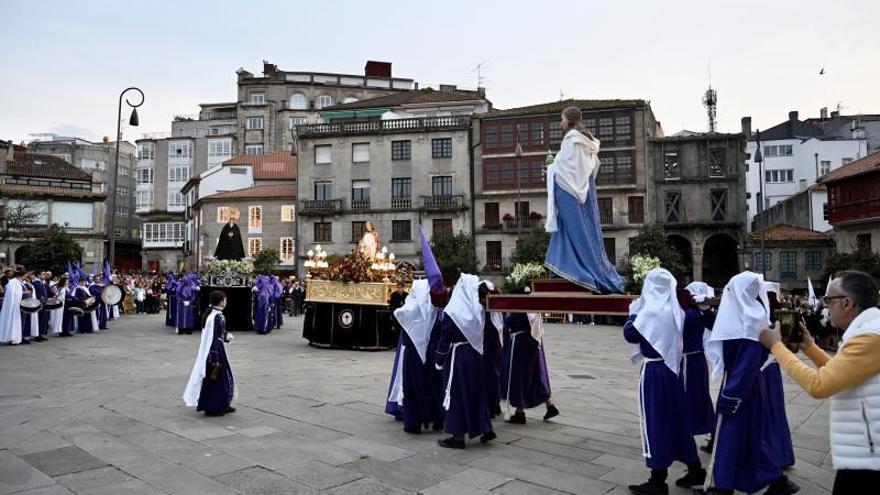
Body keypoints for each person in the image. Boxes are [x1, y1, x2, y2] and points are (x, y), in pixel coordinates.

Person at [759, 270, 880, 493]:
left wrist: (776, 346)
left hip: (868, 457)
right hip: (864, 451)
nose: (825, 305)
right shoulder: (869, 330)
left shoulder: (870, 336)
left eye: (828, 300)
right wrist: (810, 347)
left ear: (847, 303)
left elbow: (820, 385)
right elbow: (841, 373)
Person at [704, 272, 799, 495]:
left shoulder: (751, 320)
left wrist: (732, 395)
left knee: (734, 435)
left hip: (743, 387)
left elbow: (748, 362)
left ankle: (724, 487)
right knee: (746, 436)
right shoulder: (747, 316)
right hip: (742, 383)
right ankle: (775, 480)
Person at [624, 268, 705, 494]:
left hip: (655, 371)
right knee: (678, 419)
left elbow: (630, 334)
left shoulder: (649, 312)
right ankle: (695, 466)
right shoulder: (675, 310)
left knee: (655, 420)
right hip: (672, 369)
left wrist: (632, 313)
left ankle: (658, 478)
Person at [543, 106, 625, 294]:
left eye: (562, 119)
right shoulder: (587, 140)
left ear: (569, 120)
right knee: (572, 229)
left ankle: (576, 270)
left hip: (568, 192)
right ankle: (562, 269)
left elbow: (564, 167)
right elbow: (586, 166)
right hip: (583, 191)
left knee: (573, 229)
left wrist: (551, 168)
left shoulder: (571, 139)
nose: (560, 122)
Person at [435, 274, 496, 449]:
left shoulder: (453, 311)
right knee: (477, 391)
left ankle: (458, 436)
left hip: (459, 356)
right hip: (476, 355)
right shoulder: (476, 311)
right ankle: (485, 428)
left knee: (457, 393)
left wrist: (439, 359)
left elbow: (445, 338)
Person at [385, 279, 443, 433]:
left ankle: (413, 422)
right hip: (429, 351)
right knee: (431, 385)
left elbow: (397, 314)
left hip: (412, 351)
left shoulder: (411, 306)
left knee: (411, 387)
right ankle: (436, 418)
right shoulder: (431, 307)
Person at [759, 285, 796, 470]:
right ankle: (782, 454)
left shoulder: (763, 317)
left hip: (764, 369)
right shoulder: (778, 315)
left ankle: (773, 456)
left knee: (767, 411)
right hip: (771, 368)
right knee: (775, 411)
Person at [183, 290, 236, 416]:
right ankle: (213, 407)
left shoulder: (216, 315)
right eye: (225, 299)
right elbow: (212, 338)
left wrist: (226, 337)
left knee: (224, 379)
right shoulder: (215, 317)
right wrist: (215, 357)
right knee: (215, 379)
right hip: (215, 351)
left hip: (218, 349)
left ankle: (223, 404)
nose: (226, 302)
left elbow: (219, 334)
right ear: (221, 301)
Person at [677, 288, 715, 439]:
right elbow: (714, 325)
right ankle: (711, 429)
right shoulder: (696, 313)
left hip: (688, 361)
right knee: (701, 396)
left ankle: (689, 430)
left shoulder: (687, 315)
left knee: (689, 397)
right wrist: (706, 311)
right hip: (698, 359)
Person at [481, 281, 504, 418]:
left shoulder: (485, 310)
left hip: (488, 347)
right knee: (494, 375)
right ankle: (494, 406)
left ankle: (490, 407)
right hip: (494, 346)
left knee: (488, 376)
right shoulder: (493, 310)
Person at [0, 270, 26, 345]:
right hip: (13, 306)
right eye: (24, 276)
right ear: (21, 275)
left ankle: (15, 338)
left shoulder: (18, 282)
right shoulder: (13, 282)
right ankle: (12, 338)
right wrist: (24, 293)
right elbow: (14, 294)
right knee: (12, 322)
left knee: (16, 322)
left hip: (16, 306)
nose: (25, 277)